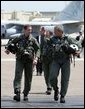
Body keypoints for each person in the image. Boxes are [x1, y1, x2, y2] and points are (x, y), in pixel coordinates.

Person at [5, 25, 40, 101]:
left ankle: (26, 94)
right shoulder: (19, 38)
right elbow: (11, 43)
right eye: (28, 30)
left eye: (30, 30)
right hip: (20, 59)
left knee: (28, 77)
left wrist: (36, 58)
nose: (30, 31)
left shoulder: (33, 40)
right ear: (24, 30)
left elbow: (38, 49)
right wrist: (8, 49)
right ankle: (17, 92)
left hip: (29, 61)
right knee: (18, 75)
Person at [49, 25, 81, 103]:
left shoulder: (68, 38)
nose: (54, 32)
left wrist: (77, 52)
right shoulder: (52, 39)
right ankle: (56, 90)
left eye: (55, 31)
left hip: (65, 60)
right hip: (55, 60)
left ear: (60, 32)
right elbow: (47, 47)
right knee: (52, 77)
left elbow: (78, 44)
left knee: (65, 79)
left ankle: (62, 95)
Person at [42, 30, 53, 95]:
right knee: (46, 74)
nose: (46, 33)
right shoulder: (44, 40)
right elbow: (40, 48)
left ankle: (50, 87)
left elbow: (47, 40)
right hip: (44, 59)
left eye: (47, 32)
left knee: (51, 74)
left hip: (51, 60)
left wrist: (43, 35)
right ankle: (48, 86)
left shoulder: (52, 40)